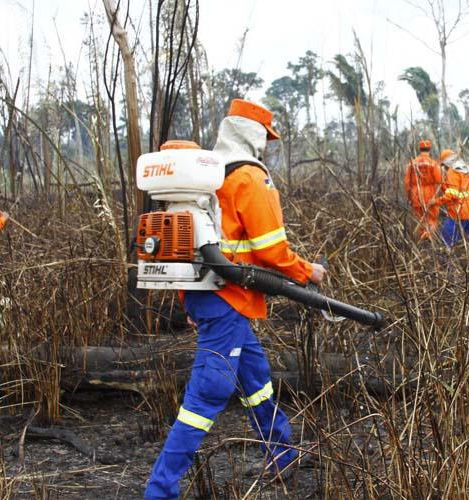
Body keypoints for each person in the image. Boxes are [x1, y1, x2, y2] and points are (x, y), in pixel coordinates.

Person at [145, 99, 326, 499]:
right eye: (267, 137)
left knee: (256, 379)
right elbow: (270, 250)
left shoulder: (207, 179)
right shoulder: (249, 177)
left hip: (212, 298)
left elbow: (188, 246)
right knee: (207, 394)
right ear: (255, 135)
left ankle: (282, 454)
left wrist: (189, 300)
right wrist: (307, 271)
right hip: (228, 298)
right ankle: (160, 490)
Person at [432, 149, 469, 248]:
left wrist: (435, 202)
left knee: (446, 239)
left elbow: (452, 195)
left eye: (443, 166)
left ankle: (445, 259)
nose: (444, 169)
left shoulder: (453, 171)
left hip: (459, 212)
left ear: (446, 163)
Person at [404, 139, 442, 239]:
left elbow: (407, 182)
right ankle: (429, 239)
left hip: (416, 195)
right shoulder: (433, 163)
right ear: (429, 149)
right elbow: (440, 181)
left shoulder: (412, 163)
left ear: (419, 149)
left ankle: (421, 240)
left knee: (419, 218)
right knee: (431, 219)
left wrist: (409, 196)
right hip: (430, 194)